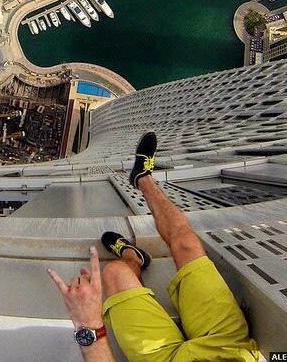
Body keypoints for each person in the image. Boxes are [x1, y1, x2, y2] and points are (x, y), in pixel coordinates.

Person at [47, 132, 260, 362]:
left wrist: (88, 324)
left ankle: (133, 257)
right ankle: (143, 179)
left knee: (115, 272)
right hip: (225, 347)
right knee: (187, 245)